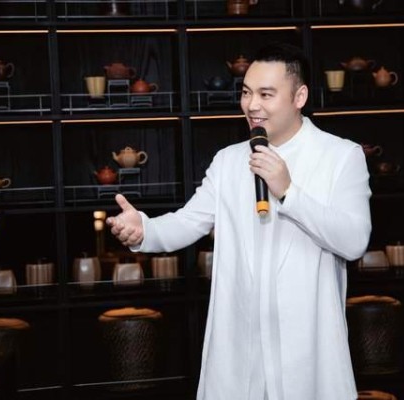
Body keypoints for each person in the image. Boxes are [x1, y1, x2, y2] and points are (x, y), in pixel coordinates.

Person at [106, 42, 372, 400]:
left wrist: (288, 191)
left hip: (309, 352)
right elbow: (188, 222)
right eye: (246, 93)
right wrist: (144, 229)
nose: (252, 105)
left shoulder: (340, 156)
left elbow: (354, 241)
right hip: (238, 353)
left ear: (300, 97)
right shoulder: (229, 160)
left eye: (266, 94)